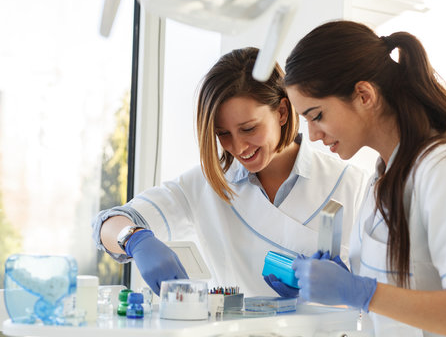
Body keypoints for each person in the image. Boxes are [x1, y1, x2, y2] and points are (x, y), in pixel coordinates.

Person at [284, 21, 446, 336]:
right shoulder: (382, 178)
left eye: (317, 115)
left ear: (364, 95)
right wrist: (345, 287)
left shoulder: (445, 168)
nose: (313, 135)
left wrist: (361, 291)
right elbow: (399, 303)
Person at [92, 47, 367, 297]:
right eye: (222, 134)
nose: (238, 147)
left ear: (282, 112)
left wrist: (342, 285)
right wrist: (136, 240)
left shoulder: (349, 183)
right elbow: (107, 223)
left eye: (249, 129)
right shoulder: (206, 185)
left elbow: (375, 294)